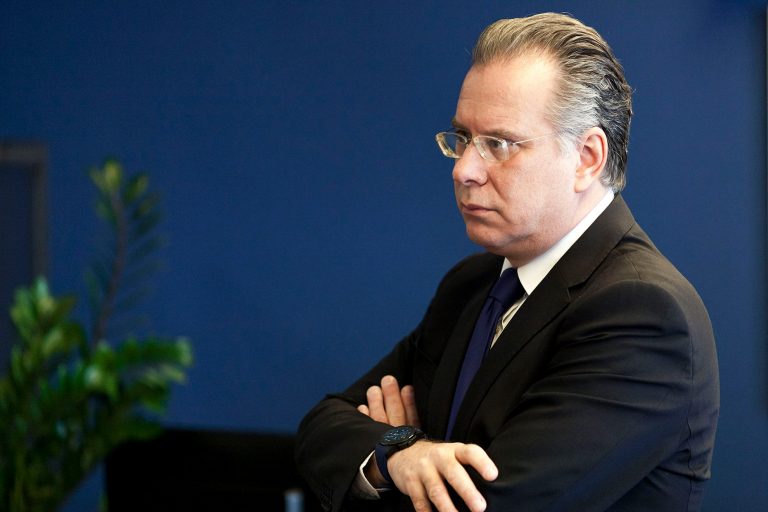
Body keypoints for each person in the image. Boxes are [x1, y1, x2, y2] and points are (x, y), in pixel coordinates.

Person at [295, 12, 719, 512]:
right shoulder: (471, 286)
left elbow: (487, 505)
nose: (464, 169)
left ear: (587, 157)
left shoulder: (642, 313)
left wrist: (393, 454)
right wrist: (405, 455)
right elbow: (322, 427)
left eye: (498, 144)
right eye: (462, 138)